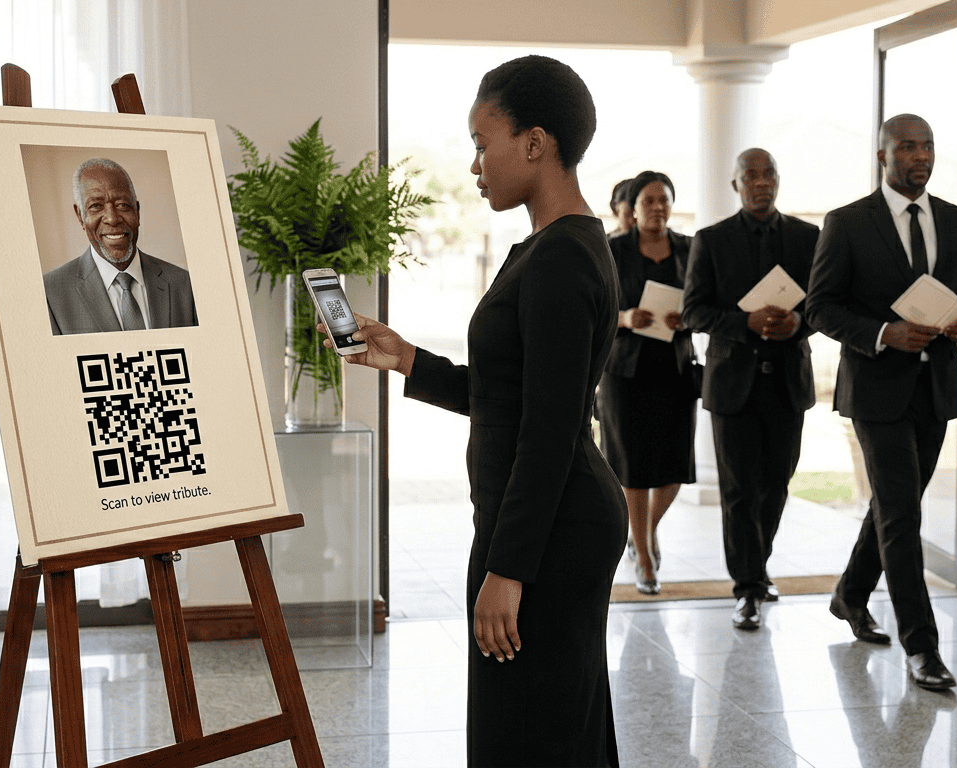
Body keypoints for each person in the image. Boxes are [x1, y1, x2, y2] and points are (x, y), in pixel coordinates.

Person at [323, 55, 625, 766]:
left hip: (549, 535)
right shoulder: (559, 248)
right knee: (548, 725)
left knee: (531, 735)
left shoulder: (558, 258)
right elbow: (511, 397)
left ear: (534, 142)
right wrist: (405, 358)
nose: (474, 163)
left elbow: (549, 431)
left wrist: (508, 567)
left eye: (481, 142)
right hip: (549, 524)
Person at [806, 114, 957, 691]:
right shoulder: (848, 222)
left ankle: (850, 594)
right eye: (908, 147)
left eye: (928, 145)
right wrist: (884, 333)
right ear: (884, 155)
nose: (920, 155)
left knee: (892, 501)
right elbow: (821, 308)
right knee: (904, 513)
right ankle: (923, 648)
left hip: (935, 389)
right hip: (876, 390)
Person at [682, 148, 819, 630]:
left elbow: (822, 306)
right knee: (739, 490)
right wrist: (746, 322)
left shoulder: (808, 238)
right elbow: (694, 311)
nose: (761, 182)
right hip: (732, 384)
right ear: (735, 185)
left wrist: (798, 322)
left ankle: (756, 567)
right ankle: (747, 588)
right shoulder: (711, 240)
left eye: (769, 174)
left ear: (778, 181)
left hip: (787, 382)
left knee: (776, 486)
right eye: (751, 176)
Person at [597, 170, 697, 596]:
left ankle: (646, 532)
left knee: (674, 465)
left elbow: (706, 302)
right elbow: (593, 306)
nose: (657, 208)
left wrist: (687, 318)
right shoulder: (612, 249)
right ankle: (643, 557)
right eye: (649, 201)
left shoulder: (690, 249)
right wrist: (623, 317)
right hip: (625, 373)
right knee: (634, 467)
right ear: (632, 209)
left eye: (664, 200)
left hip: (674, 369)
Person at [44, 157, 198, 335]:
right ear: (80, 216)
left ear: (137, 211)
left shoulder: (184, 284)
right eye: (96, 206)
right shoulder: (49, 294)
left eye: (123, 205)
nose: (112, 218)